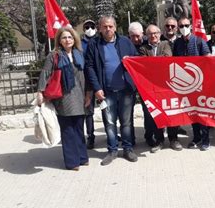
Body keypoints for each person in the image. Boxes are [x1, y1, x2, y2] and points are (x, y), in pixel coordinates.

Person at [85, 16, 139, 166]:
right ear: (100, 28)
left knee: (126, 122)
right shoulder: (94, 44)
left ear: (115, 27)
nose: (108, 29)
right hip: (106, 91)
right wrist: (96, 88)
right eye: (104, 26)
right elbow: (89, 67)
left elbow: (137, 59)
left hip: (126, 90)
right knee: (109, 122)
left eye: (110, 26)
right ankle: (112, 150)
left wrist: (131, 59)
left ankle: (127, 149)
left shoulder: (125, 42)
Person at [36, 26, 88, 171]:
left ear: (74, 39)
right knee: (68, 130)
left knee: (78, 128)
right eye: (64, 37)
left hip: (80, 96)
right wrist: (40, 92)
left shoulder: (79, 54)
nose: (67, 40)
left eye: (70, 37)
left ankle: (82, 157)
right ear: (59, 40)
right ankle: (72, 162)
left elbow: (86, 76)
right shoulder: (54, 56)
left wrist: (88, 94)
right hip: (63, 98)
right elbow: (45, 74)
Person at [139, 25, 181, 152]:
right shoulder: (143, 48)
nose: (153, 36)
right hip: (151, 87)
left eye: (155, 33)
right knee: (156, 114)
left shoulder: (166, 44)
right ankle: (159, 140)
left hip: (167, 86)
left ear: (159, 33)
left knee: (171, 113)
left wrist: (152, 63)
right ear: (146, 36)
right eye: (150, 34)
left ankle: (173, 139)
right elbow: (144, 65)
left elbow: (167, 59)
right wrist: (155, 63)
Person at [172, 17, 211, 150]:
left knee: (202, 112)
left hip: (200, 83)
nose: (184, 27)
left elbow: (209, 61)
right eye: (181, 25)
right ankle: (197, 137)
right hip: (186, 84)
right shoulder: (177, 43)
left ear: (191, 26)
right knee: (192, 113)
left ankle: (206, 139)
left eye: (186, 25)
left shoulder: (200, 41)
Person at [81, 19, 98, 150]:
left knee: (108, 109)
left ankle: (113, 133)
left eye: (92, 26)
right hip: (86, 82)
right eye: (87, 27)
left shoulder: (100, 41)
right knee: (88, 111)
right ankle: (90, 137)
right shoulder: (80, 44)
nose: (90, 29)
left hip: (100, 80)